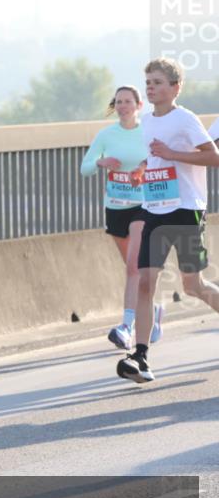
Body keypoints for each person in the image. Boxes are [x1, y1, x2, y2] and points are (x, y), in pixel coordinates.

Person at [117, 58, 219, 383]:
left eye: (158, 82)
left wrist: (174, 155)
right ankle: (141, 355)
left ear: (176, 87)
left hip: (186, 209)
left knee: (193, 286)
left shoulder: (185, 120)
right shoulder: (146, 121)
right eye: (148, 82)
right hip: (155, 209)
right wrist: (142, 171)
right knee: (146, 281)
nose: (151, 87)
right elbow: (154, 155)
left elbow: (213, 156)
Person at [80, 86, 163, 350]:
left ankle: (126, 325)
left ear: (139, 106)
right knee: (133, 269)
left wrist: (143, 166)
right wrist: (101, 163)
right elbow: (85, 168)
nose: (123, 106)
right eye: (119, 102)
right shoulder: (106, 135)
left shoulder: (148, 131)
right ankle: (154, 309)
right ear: (115, 106)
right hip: (115, 206)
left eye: (128, 101)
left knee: (133, 267)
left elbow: (161, 160)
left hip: (144, 205)